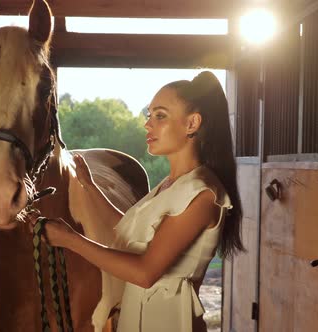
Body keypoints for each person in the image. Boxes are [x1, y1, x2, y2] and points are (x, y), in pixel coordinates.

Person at [39, 71, 245, 331]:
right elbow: (128, 231)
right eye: (150, 115)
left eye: (160, 116)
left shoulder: (202, 193)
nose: (148, 125)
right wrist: (90, 188)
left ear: (192, 124)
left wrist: (70, 240)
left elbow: (145, 273)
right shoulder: (171, 185)